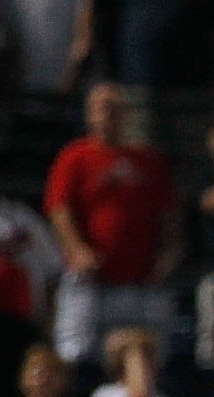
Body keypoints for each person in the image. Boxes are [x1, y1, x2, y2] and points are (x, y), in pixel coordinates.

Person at [44, 83, 177, 367]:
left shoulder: (148, 161)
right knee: (76, 356)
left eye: (116, 109)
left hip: (139, 283)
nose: (109, 115)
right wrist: (77, 249)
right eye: (102, 108)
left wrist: (169, 253)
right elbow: (59, 208)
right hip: (90, 282)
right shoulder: (74, 157)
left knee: (145, 360)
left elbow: (168, 214)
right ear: (90, 114)